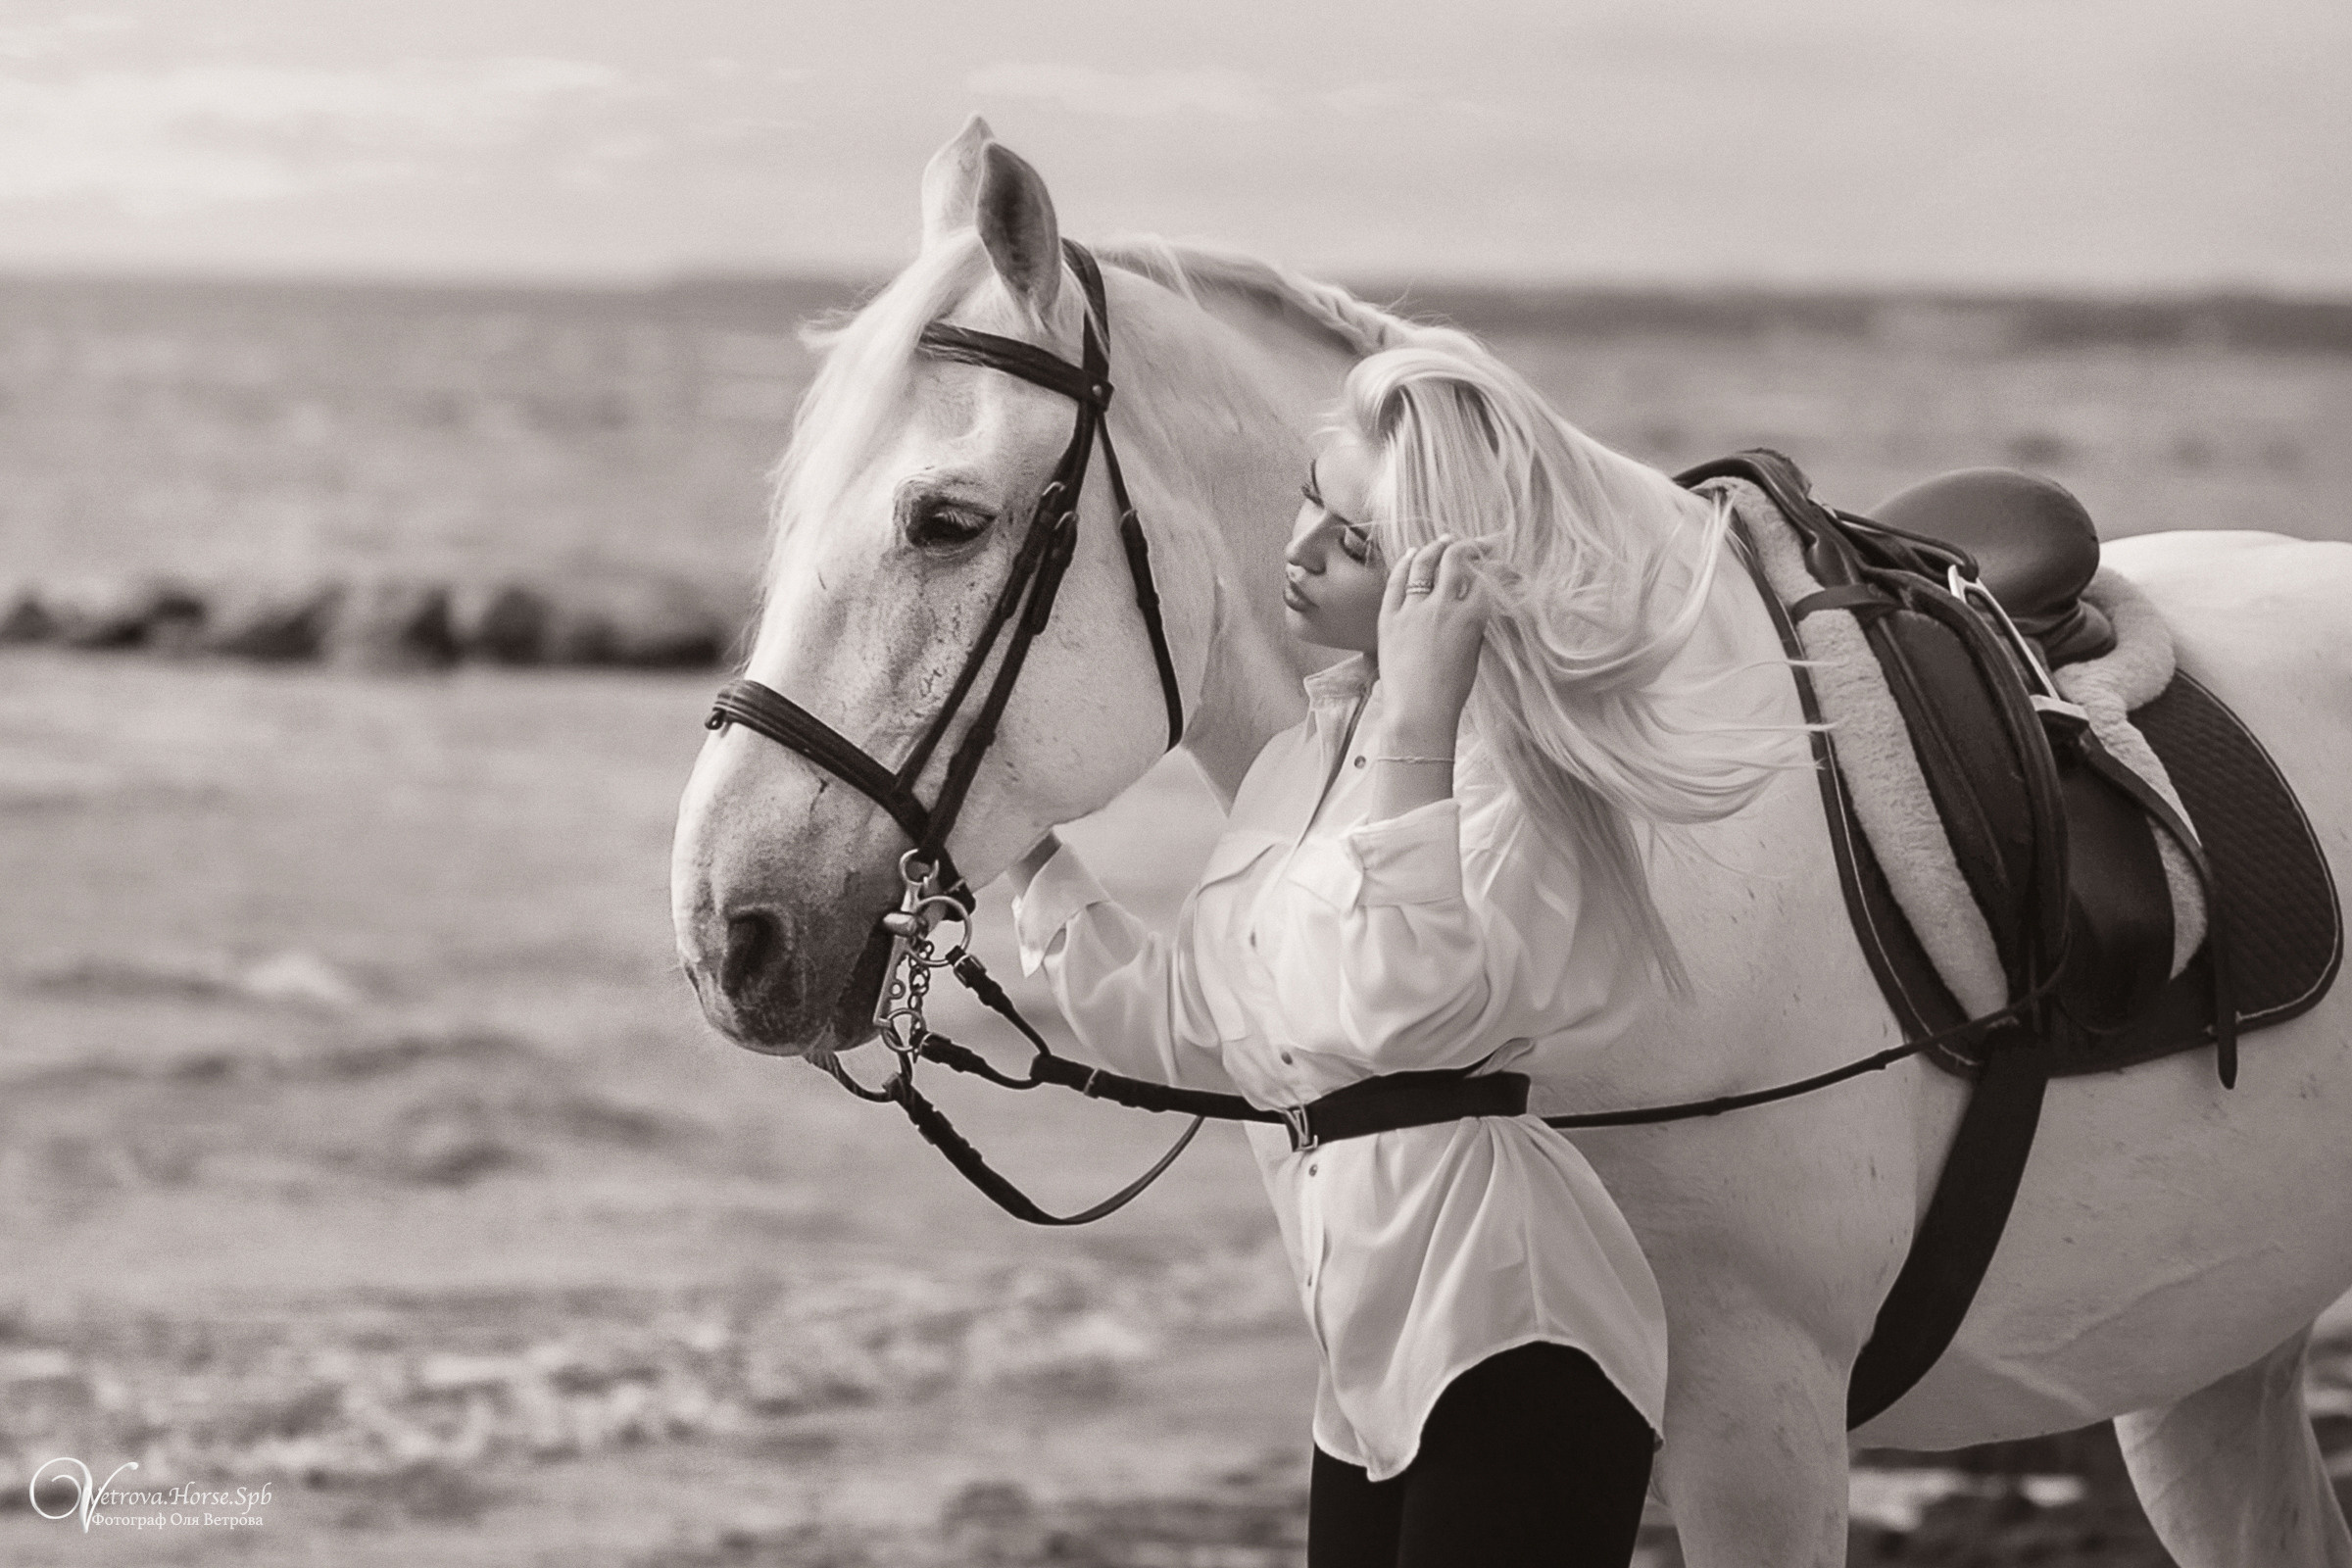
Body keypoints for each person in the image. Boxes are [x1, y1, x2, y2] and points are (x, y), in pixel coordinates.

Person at [1006, 338, 1791, 1567]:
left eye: (1355, 540)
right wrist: (1018, 851)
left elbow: (1399, 1002)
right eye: (1311, 496)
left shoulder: (1520, 776)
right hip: (1365, 1356)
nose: (1300, 545)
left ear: (1444, 583)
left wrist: (1422, 716)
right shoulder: (1295, 763)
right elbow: (1198, 1025)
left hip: (1515, 1333)